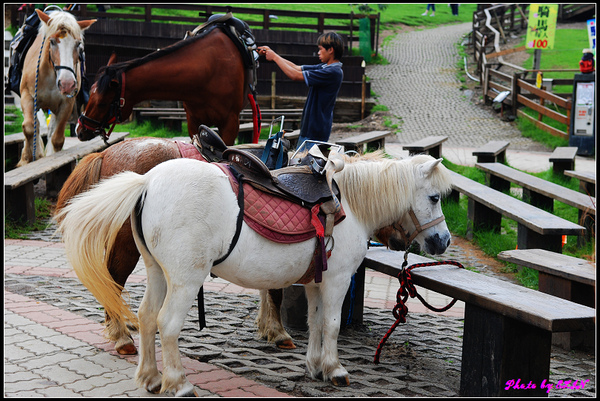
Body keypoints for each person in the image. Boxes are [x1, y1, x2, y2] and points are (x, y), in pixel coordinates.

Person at [258, 32, 344, 147]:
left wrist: (274, 57)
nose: (318, 52)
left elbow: (295, 75)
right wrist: (274, 55)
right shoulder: (325, 67)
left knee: (303, 164)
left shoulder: (333, 72)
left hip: (315, 131)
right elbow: (296, 68)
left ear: (330, 50)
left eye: (320, 49)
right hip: (311, 129)